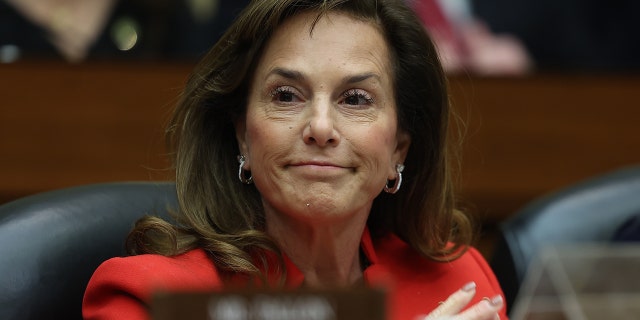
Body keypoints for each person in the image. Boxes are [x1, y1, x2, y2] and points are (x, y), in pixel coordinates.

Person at [82, 0, 507, 319]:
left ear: (399, 146)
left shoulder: (459, 281)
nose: (320, 127)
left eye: (355, 99)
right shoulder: (151, 298)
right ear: (242, 135)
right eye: (286, 96)